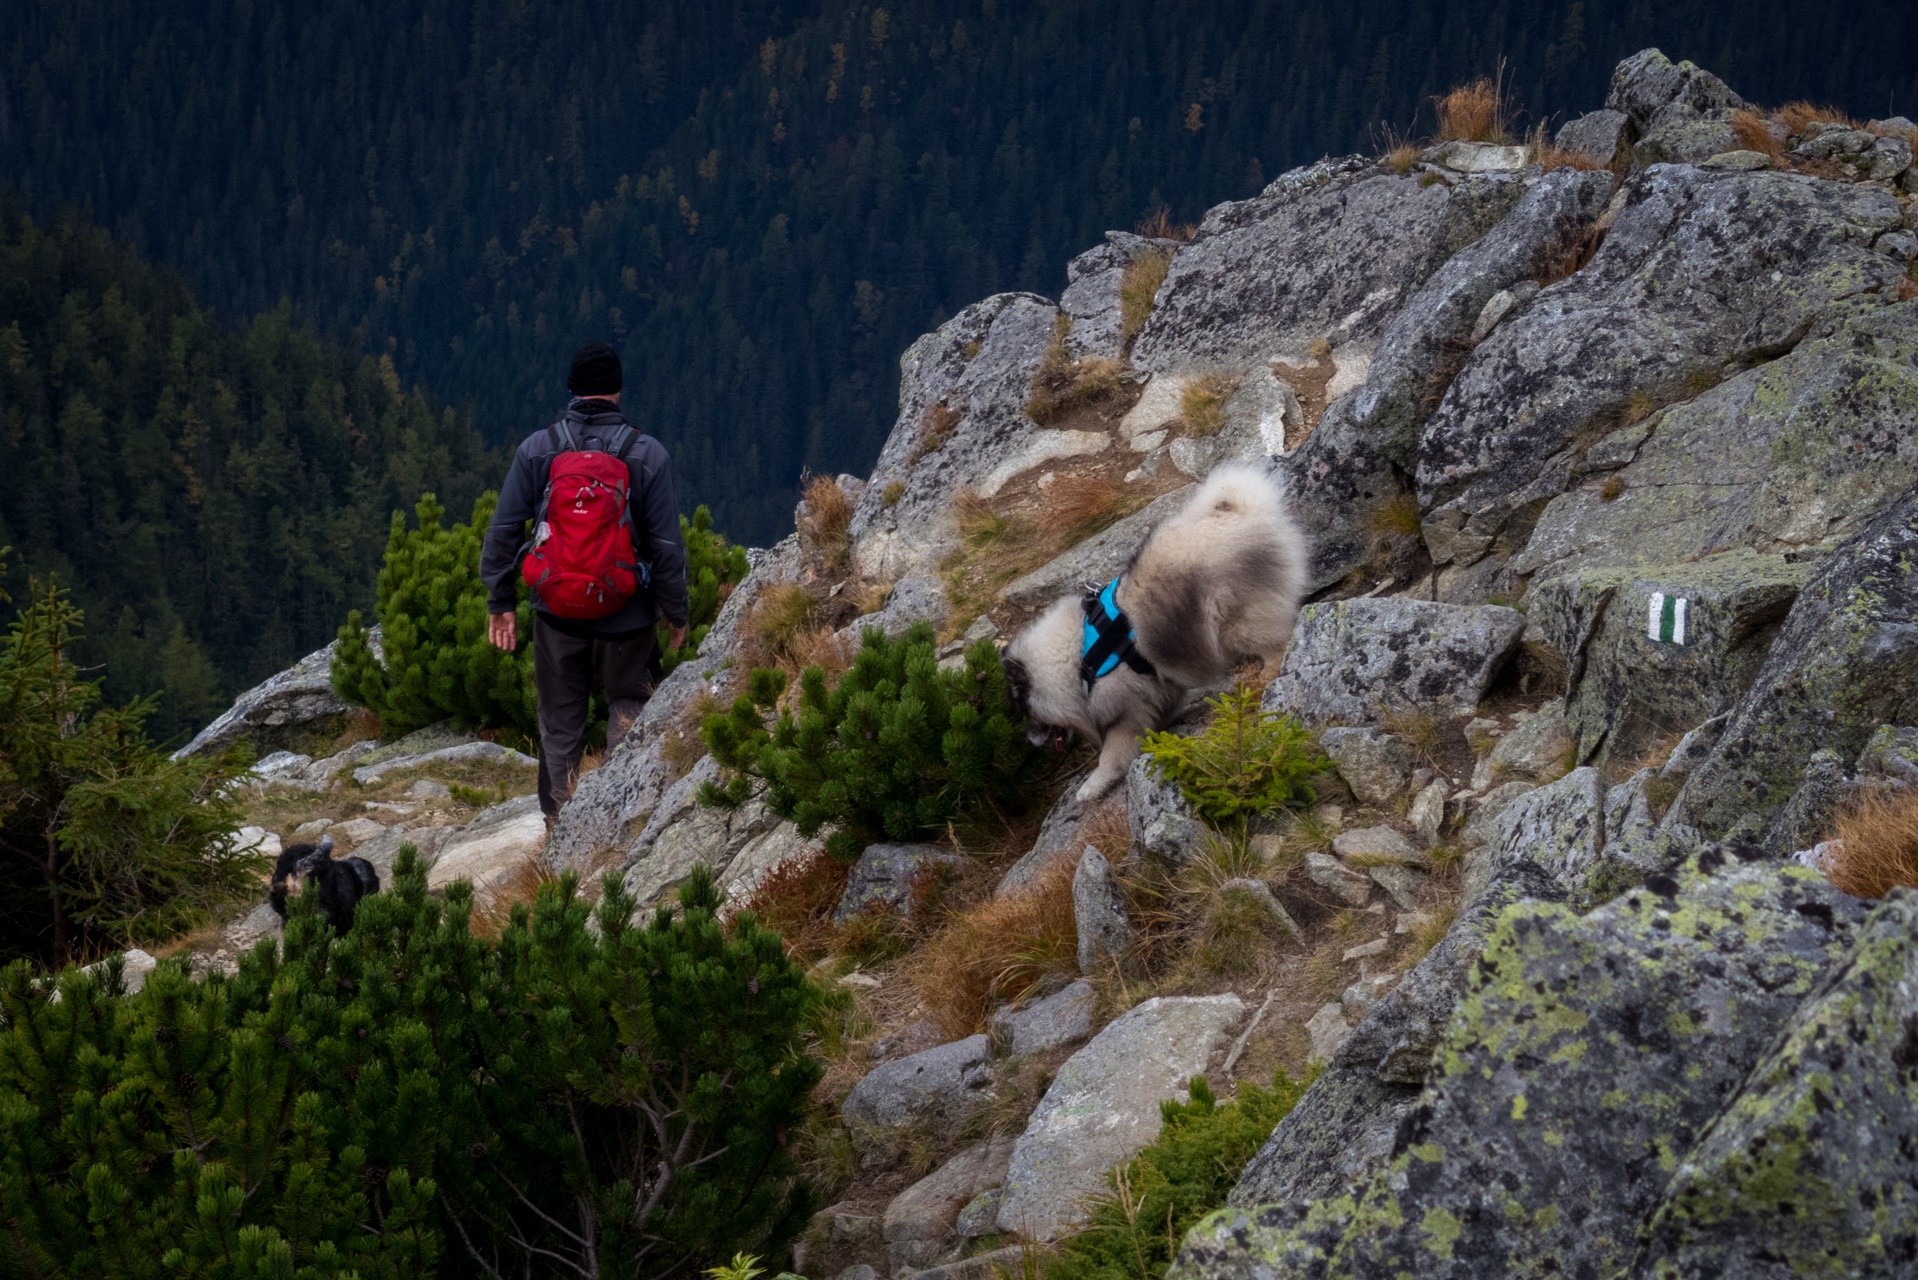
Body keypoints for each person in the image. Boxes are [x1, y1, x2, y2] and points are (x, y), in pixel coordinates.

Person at [480, 340, 689, 830]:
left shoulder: (537, 449)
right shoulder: (647, 454)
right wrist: (675, 612)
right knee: (630, 705)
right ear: (617, 389)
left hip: (556, 615)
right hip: (628, 618)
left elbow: (503, 529)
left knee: (560, 723)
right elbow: (666, 546)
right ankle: (617, 823)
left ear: (572, 389)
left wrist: (500, 598)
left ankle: (560, 830)